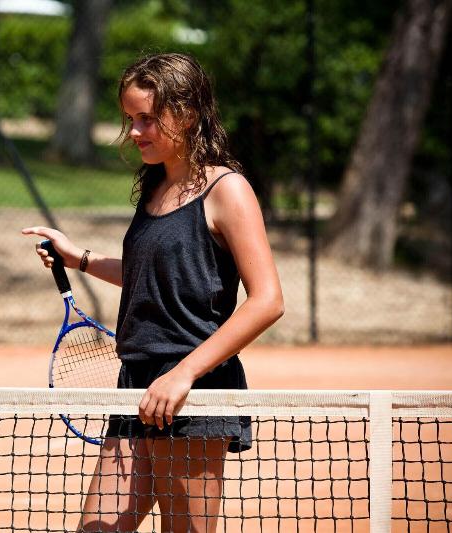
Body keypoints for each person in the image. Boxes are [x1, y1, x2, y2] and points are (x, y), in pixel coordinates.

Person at [23, 53, 283, 531]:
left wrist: (183, 374)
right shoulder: (156, 186)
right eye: (130, 119)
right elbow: (156, 275)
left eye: (146, 119)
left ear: (186, 114)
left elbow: (268, 300)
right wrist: (78, 257)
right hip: (135, 384)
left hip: (194, 389)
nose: (134, 132)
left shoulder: (228, 190)